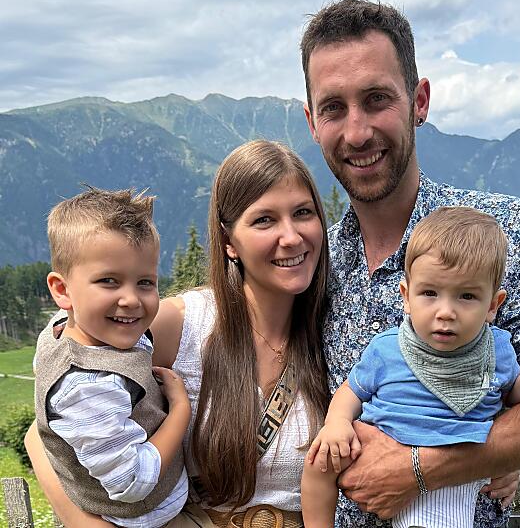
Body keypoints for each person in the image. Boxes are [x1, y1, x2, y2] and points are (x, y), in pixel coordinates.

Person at [299, 0, 520, 528]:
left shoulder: (508, 233)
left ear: (419, 101)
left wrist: (420, 469)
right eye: (333, 108)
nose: (356, 132)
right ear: (312, 122)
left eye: (376, 99)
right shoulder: (313, 264)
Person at [25, 140, 331, 527]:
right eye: (264, 220)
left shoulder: (337, 327)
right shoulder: (183, 324)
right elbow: (46, 429)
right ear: (229, 243)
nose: (291, 237)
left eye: (303, 213)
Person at [301, 207, 520, 528]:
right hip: (382, 444)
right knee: (321, 460)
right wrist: (337, 423)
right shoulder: (388, 348)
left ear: (492, 305)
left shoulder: (496, 351)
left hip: (455, 462)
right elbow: (352, 390)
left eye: (466, 296)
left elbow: (513, 387)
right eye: (429, 293)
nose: (445, 312)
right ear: (406, 296)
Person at [35, 187, 189, 527]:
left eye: (145, 282)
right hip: (146, 515)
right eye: (109, 281)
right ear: (62, 290)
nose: (131, 300)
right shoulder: (87, 387)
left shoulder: (61, 328)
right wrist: (180, 410)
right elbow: (132, 481)